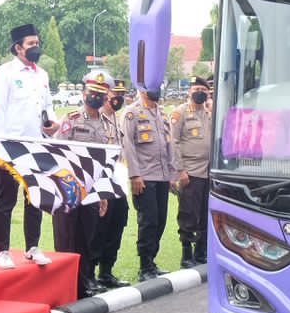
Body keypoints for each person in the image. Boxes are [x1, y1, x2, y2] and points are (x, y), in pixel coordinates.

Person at [0, 24, 57, 269]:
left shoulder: (42, 74)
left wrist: (52, 123)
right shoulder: (5, 73)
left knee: (35, 199)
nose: (35, 47)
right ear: (18, 48)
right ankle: (2, 251)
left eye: (37, 43)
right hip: (12, 146)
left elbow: (47, 106)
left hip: (37, 144)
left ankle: (32, 247)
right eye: (30, 44)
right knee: (6, 200)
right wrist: (0, 148)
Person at [54, 70, 119, 298]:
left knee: (86, 239)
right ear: (84, 94)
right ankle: (64, 287)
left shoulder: (107, 125)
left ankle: (82, 285)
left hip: (92, 190)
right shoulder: (71, 120)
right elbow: (58, 153)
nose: (96, 97)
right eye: (93, 93)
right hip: (69, 188)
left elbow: (106, 162)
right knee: (66, 239)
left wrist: (103, 194)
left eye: (101, 94)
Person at [121, 81, 175, 279]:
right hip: (144, 176)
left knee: (160, 220)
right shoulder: (132, 113)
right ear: (142, 89)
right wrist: (134, 174)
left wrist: (172, 174)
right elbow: (127, 145)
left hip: (162, 176)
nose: (156, 89)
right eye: (152, 86)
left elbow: (169, 146)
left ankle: (152, 260)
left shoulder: (161, 113)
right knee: (148, 221)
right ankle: (145, 266)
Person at [90, 78, 133, 287]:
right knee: (99, 228)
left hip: (117, 181)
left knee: (118, 223)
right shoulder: (98, 119)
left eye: (122, 95)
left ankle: (107, 271)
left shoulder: (116, 119)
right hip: (100, 181)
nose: (119, 99)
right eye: (116, 95)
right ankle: (91, 273)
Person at [172, 76, 213, 268]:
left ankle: (201, 252)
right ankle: (186, 254)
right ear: (189, 91)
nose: (200, 93)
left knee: (205, 214)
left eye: (203, 90)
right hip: (190, 172)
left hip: (208, 172)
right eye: (196, 89)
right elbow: (173, 143)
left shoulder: (209, 114)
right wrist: (180, 170)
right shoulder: (180, 112)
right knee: (188, 214)